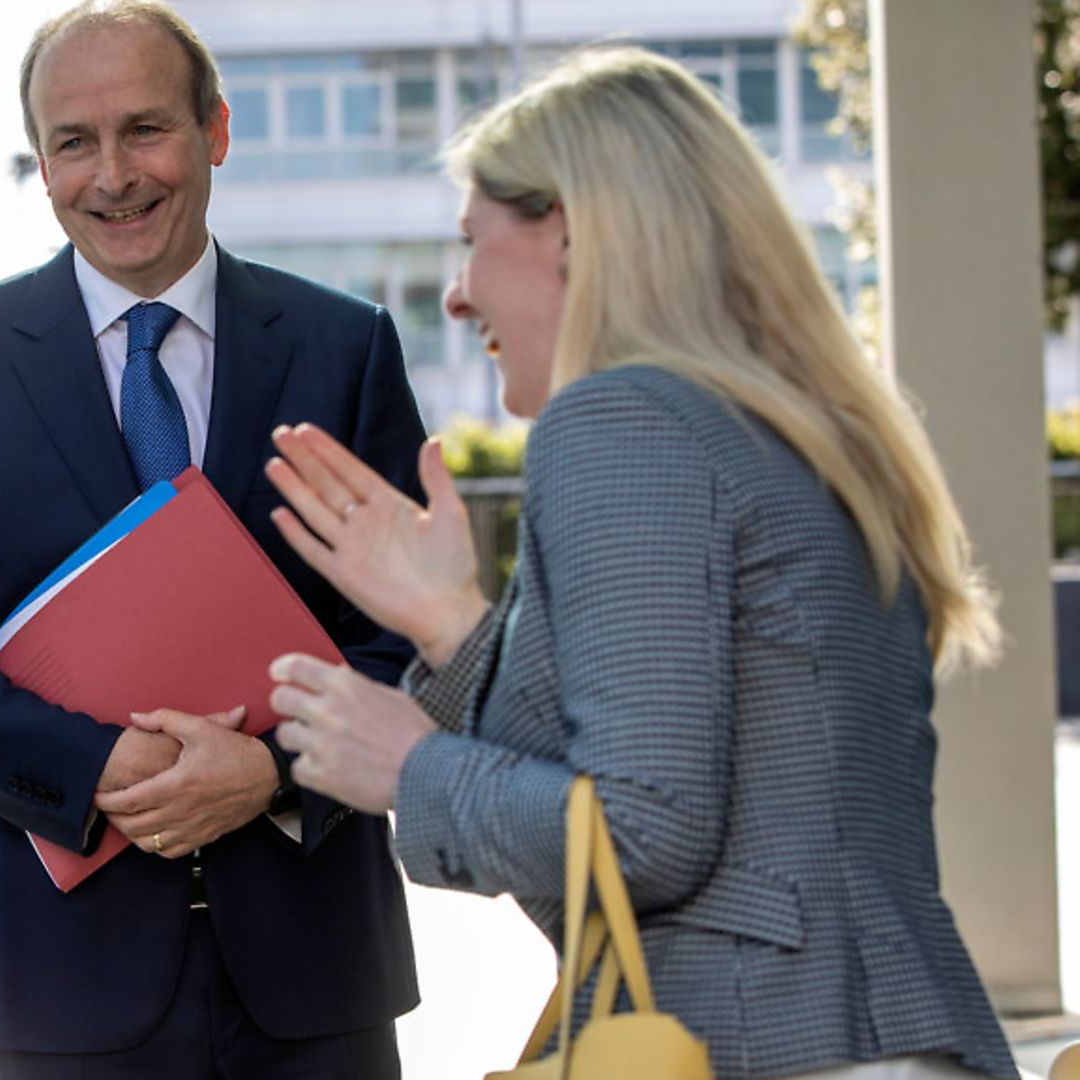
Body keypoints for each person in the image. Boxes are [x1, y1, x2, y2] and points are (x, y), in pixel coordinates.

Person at [264, 48, 1017, 1080]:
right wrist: (452, 625)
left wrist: (407, 764)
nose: (455, 294)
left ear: (568, 232)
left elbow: (644, 836)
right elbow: (614, 866)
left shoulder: (619, 422)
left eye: (472, 242)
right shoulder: (795, 435)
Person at [0, 2, 428, 1074]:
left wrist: (273, 770)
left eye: (145, 129)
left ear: (214, 131)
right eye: (74, 142)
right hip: (63, 984)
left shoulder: (345, 348)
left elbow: (411, 631)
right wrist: (100, 766)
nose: (113, 175)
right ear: (42, 161)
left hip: (314, 971)